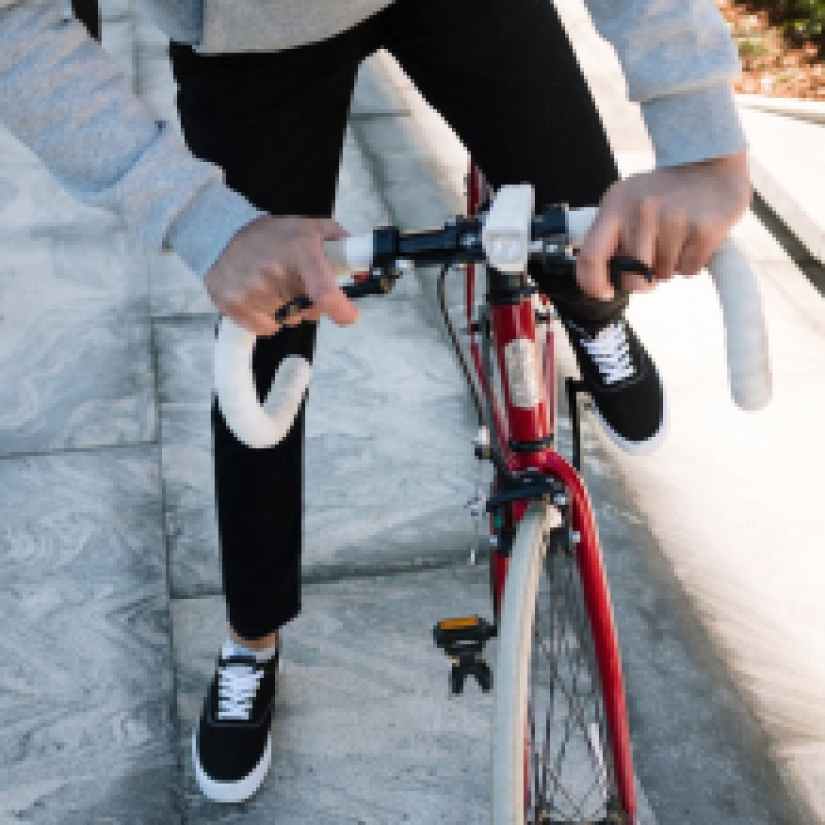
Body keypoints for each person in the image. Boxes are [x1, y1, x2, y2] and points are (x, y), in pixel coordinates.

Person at [0, 0, 752, 804]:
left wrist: (698, 130)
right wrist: (194, 215)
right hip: (249, 39)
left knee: (583, 229)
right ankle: (250, 637)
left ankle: (593, 317)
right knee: (261, 360)